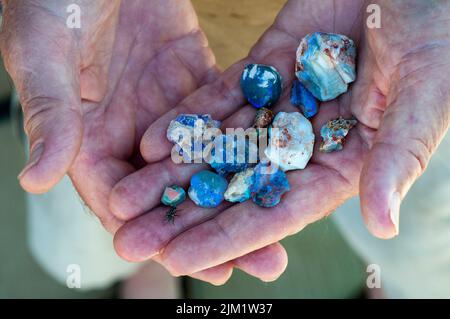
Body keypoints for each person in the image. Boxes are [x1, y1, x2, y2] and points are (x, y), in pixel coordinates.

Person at [1, 0, 450, 297]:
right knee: (113, 202)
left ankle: (394, 281)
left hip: (379, 46)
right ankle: (155, 266)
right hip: (121, 37)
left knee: (410, 228)